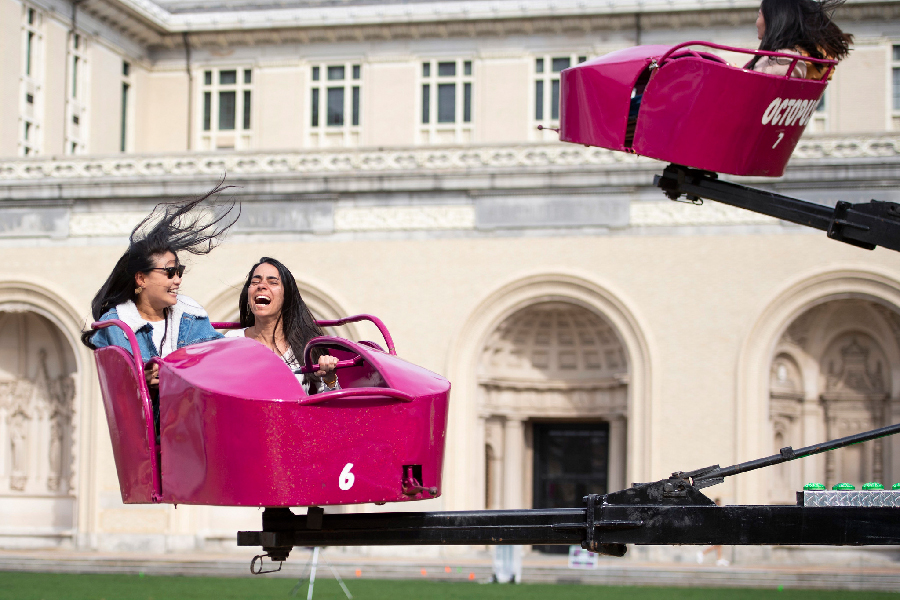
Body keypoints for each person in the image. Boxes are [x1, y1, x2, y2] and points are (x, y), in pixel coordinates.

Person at [83, 184, 240, 369]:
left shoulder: (190, 315)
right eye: (170, 272)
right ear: (141, 279)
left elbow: (217, 358)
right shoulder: (118, 325)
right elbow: (119, 381)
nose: (178, 280)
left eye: (179, 272)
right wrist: (142, 378)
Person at [225, 257, 339, 395]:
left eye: (273, 282)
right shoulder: (231, 341)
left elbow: (331, 406)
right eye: (255, 282)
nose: (261, 286)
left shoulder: (307, 347)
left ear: (287, 295)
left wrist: (329, 379)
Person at [747, 0, 853, 79]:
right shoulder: (801, 60)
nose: (756, 22)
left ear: (774, 20)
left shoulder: (779, 61)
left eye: (759, 15)